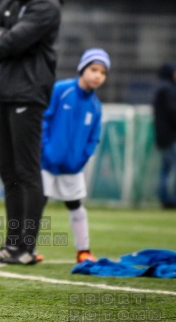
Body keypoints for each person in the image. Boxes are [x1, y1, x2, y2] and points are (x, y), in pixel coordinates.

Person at [0, 0, 64, 265]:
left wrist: (5, 36)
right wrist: (4, 37)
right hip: (3, 93)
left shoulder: (47, 3)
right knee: (8, 173)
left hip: (28, 94)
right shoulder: (12, 0)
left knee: (26, 171)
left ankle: (26, 247)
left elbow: (13, 40)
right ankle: (12, 244)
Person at [41, 48, 110, 263]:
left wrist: (82, 158)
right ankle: (27, 248)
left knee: (76, 206)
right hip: (45, 163)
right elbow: (43, 120)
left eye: (103, 72)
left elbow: (93, 138)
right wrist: (45, 150)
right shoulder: (61, 90)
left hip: (72, 167)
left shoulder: (95, 107)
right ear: (82, 69)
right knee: (36, 205)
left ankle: (83, 251)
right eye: (93, 69)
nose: (98, 75)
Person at [152, 62, 176, 209]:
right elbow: (172, 112)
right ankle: (169, 199)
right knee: (170, 169)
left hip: (163, 138)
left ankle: (165, 198)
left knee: (166, 169)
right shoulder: (168, 90)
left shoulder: (160, 88)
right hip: (171, 137)